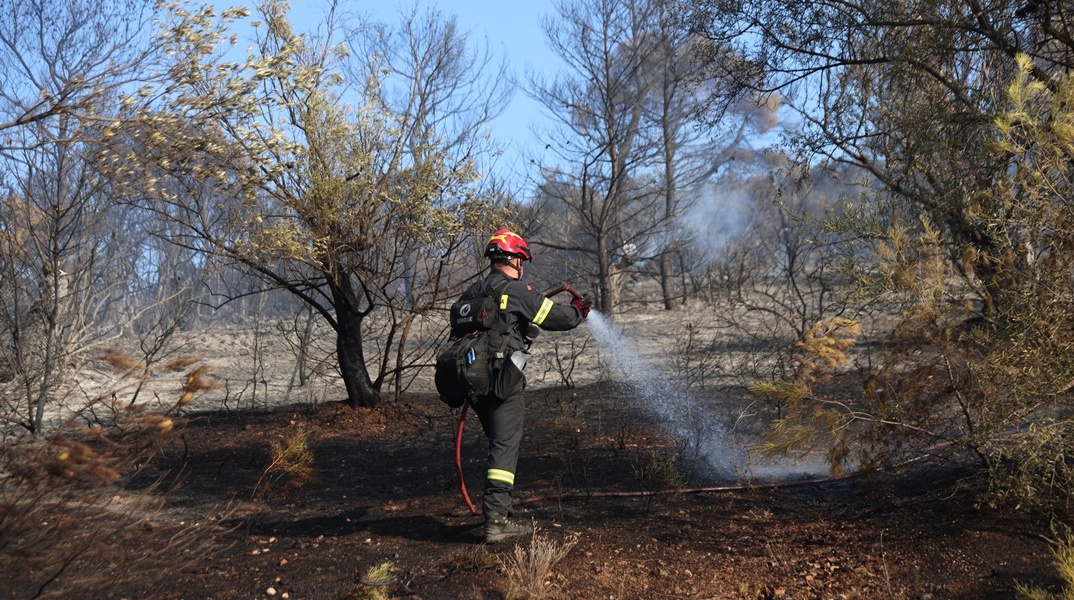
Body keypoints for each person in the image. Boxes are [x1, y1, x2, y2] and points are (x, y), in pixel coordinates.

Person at [472, 228, 591, 543]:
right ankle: (496, 521)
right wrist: (579, 312)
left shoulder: (475, 291)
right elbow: (557, 317)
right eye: (521, 259)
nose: (522, 266)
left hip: (475, 382)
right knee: (504, 445)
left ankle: (499, 510)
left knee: (498, 442)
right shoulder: (514, 290)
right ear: (513, 259)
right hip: (502, 382)